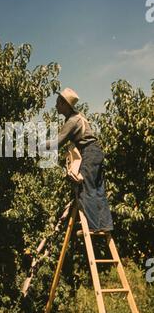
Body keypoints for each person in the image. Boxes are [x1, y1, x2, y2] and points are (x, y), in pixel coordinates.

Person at [43, 88, 114, 233]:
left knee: (84, 188)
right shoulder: (78, 117)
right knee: (98, 189)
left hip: (89, 152)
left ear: (64, 105)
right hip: (96, 152)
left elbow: (58, 142)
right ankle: (105, 226)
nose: (56, 106)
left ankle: (93, 227)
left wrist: (38, 145)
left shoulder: (72, 120)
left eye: (58, 103)